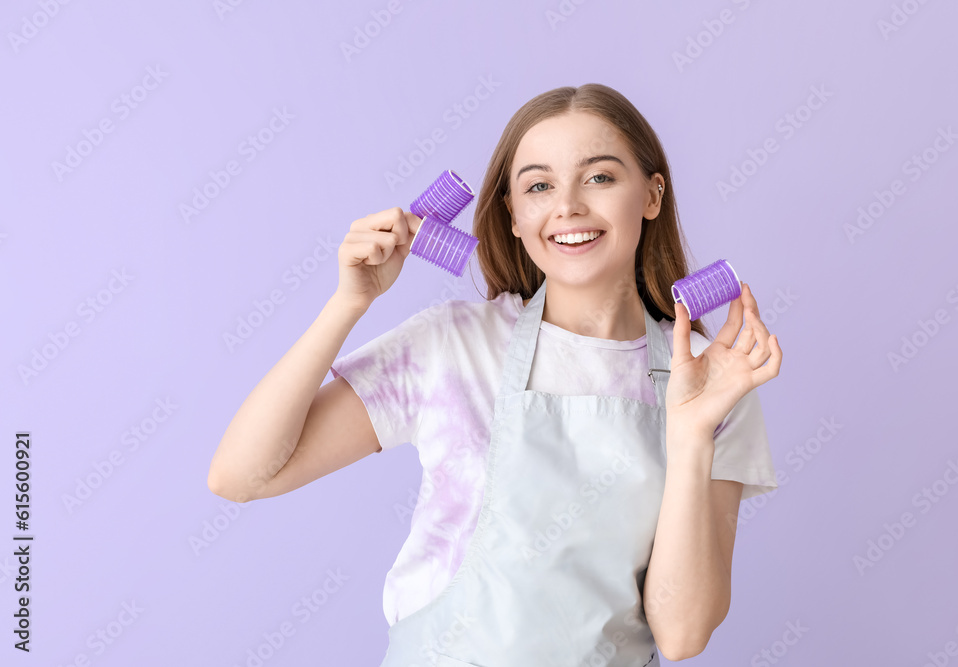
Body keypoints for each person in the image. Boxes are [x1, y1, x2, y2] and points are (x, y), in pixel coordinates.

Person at [207, 83, 783, 666]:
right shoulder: (453, 345)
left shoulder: (711, 381)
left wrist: (689, 435)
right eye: (538, 186)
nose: (567, 207)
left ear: (652, 195)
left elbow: (683, 635)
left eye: (600, 178)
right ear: (513, 215)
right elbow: (241, 476)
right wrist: (349, 303)